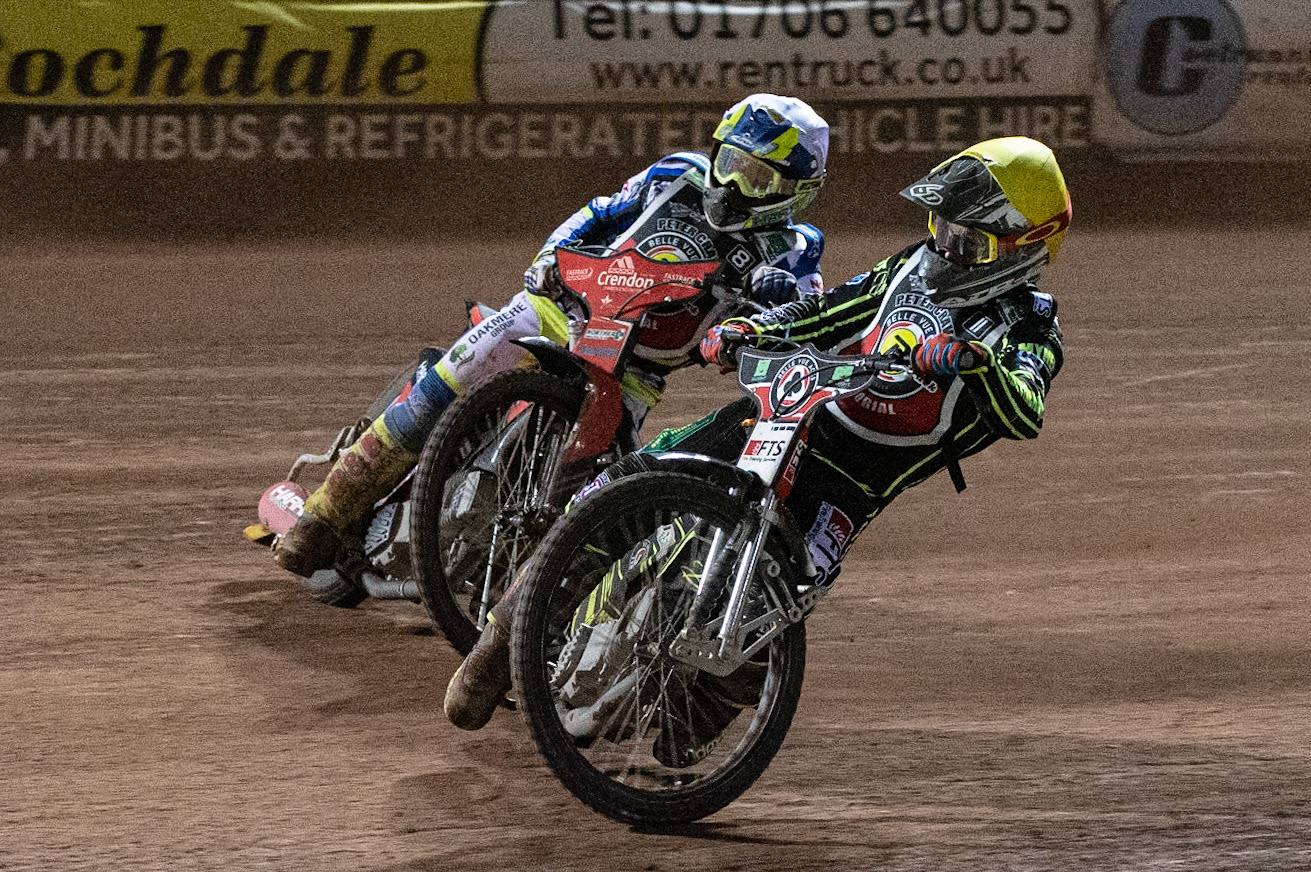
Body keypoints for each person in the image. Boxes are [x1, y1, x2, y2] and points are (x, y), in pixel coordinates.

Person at [445, 136, 1070, 747]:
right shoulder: (910, 263)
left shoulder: (1030, 323)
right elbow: (831, 311)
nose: (946, 248)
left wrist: (971, 362)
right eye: (941, 227)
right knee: (623, 485)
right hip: (791, 409)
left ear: (1026, 247)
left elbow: (1026, 408)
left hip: (853, 479)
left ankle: (694, 724)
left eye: (969, 240)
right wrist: (752, 327)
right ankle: (499, 645)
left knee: (787, 598)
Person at [273, 93, 831, 578]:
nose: (733, 184)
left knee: (594, 494)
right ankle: (323, 517)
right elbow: (597, 213)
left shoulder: (797, 248)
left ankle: (515, 602)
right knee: (446, 383)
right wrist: (546, 259)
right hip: (557, 310)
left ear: (795, 192)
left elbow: (808, 317)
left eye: (757, 178)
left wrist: (778, 300)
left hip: (636, 372)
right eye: (730, 162)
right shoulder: (673, 174)